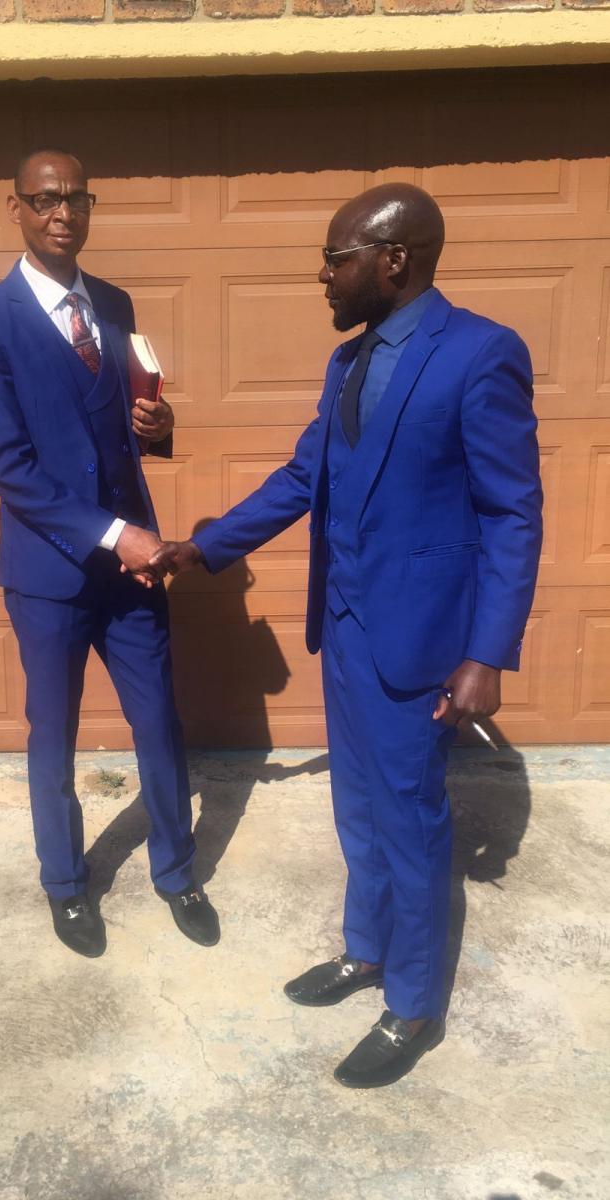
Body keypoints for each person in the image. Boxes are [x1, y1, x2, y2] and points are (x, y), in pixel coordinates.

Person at [148, 183, 542, 1086]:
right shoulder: (348, 360)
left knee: (410, 816)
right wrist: (204, 547)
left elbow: (513, 514)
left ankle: (414, 1004)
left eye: (335, 258)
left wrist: (486, 654)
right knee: (359, 807)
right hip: (347, 623)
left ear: (392, 259)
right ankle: (367, 949)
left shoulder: (481, 353)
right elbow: (305, 476)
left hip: (420, 637)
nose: (323, 276)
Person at [0, 149, 219, 958]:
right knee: (54, 731)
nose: (61, 213)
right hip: (48, 573)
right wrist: (112, 532)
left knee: (159, 720)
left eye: (75, 198)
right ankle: (67, 884)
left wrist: (158, 428)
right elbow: (10, 468)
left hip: (132, 569)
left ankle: (177, 871)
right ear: (16, 209)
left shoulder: (113, 302)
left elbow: (126, 418)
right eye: (44, 200)